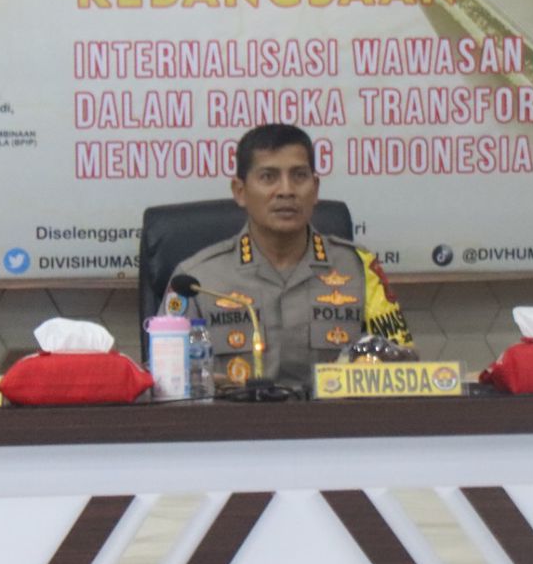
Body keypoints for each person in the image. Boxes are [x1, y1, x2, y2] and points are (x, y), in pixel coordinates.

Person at [162, 124, 412, 392]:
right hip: (233, 418)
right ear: (240, 191)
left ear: (315, 188)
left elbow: (403, 365)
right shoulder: (195, 281)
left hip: (333, 418)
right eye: (268, 177)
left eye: (299, 176)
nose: (286, 190)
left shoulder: (359, 268)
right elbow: (166, 380)